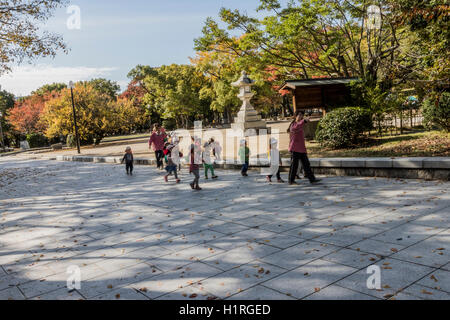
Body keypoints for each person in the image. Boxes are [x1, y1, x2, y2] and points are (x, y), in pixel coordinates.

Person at [287, 110, 321, 185]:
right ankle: (291, 180)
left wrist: (303, 121)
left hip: (301, 149)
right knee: (294, 166)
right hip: (295, 149)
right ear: (295, 116)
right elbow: (296, 127)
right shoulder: (293, 125)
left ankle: (312, 179)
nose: (300, 116)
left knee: (306, 164)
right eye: (298, 115)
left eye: (301, 115)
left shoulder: (300, 124)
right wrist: (304, 121)